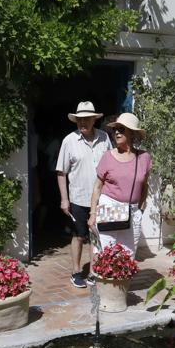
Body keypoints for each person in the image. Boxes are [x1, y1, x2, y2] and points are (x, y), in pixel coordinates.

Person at [55, 101, 111, 288]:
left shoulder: (104, 138)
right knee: (79, 236)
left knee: (96, 236)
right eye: (79, 119)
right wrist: (64, 199)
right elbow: (61, 172)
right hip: (78, 198)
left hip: (101, 198)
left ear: (94, 120)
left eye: (86, 119)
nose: (82, 123)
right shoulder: (69, 141)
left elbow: (112, 165)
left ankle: (94, 272)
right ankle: (76, 271)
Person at [89, 112, 151, 259]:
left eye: (121, 129)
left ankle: (123, 283)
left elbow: (145, 186)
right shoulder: (108, 157)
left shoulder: (144, 158)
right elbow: (97, 187)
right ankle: (104, 282)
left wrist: (140, 210)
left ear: (132, 133)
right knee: (106, 254)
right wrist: (92, 214)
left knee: (128, 257)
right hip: (109, 208)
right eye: (115, 129)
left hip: (132, 212)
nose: (117, 132)